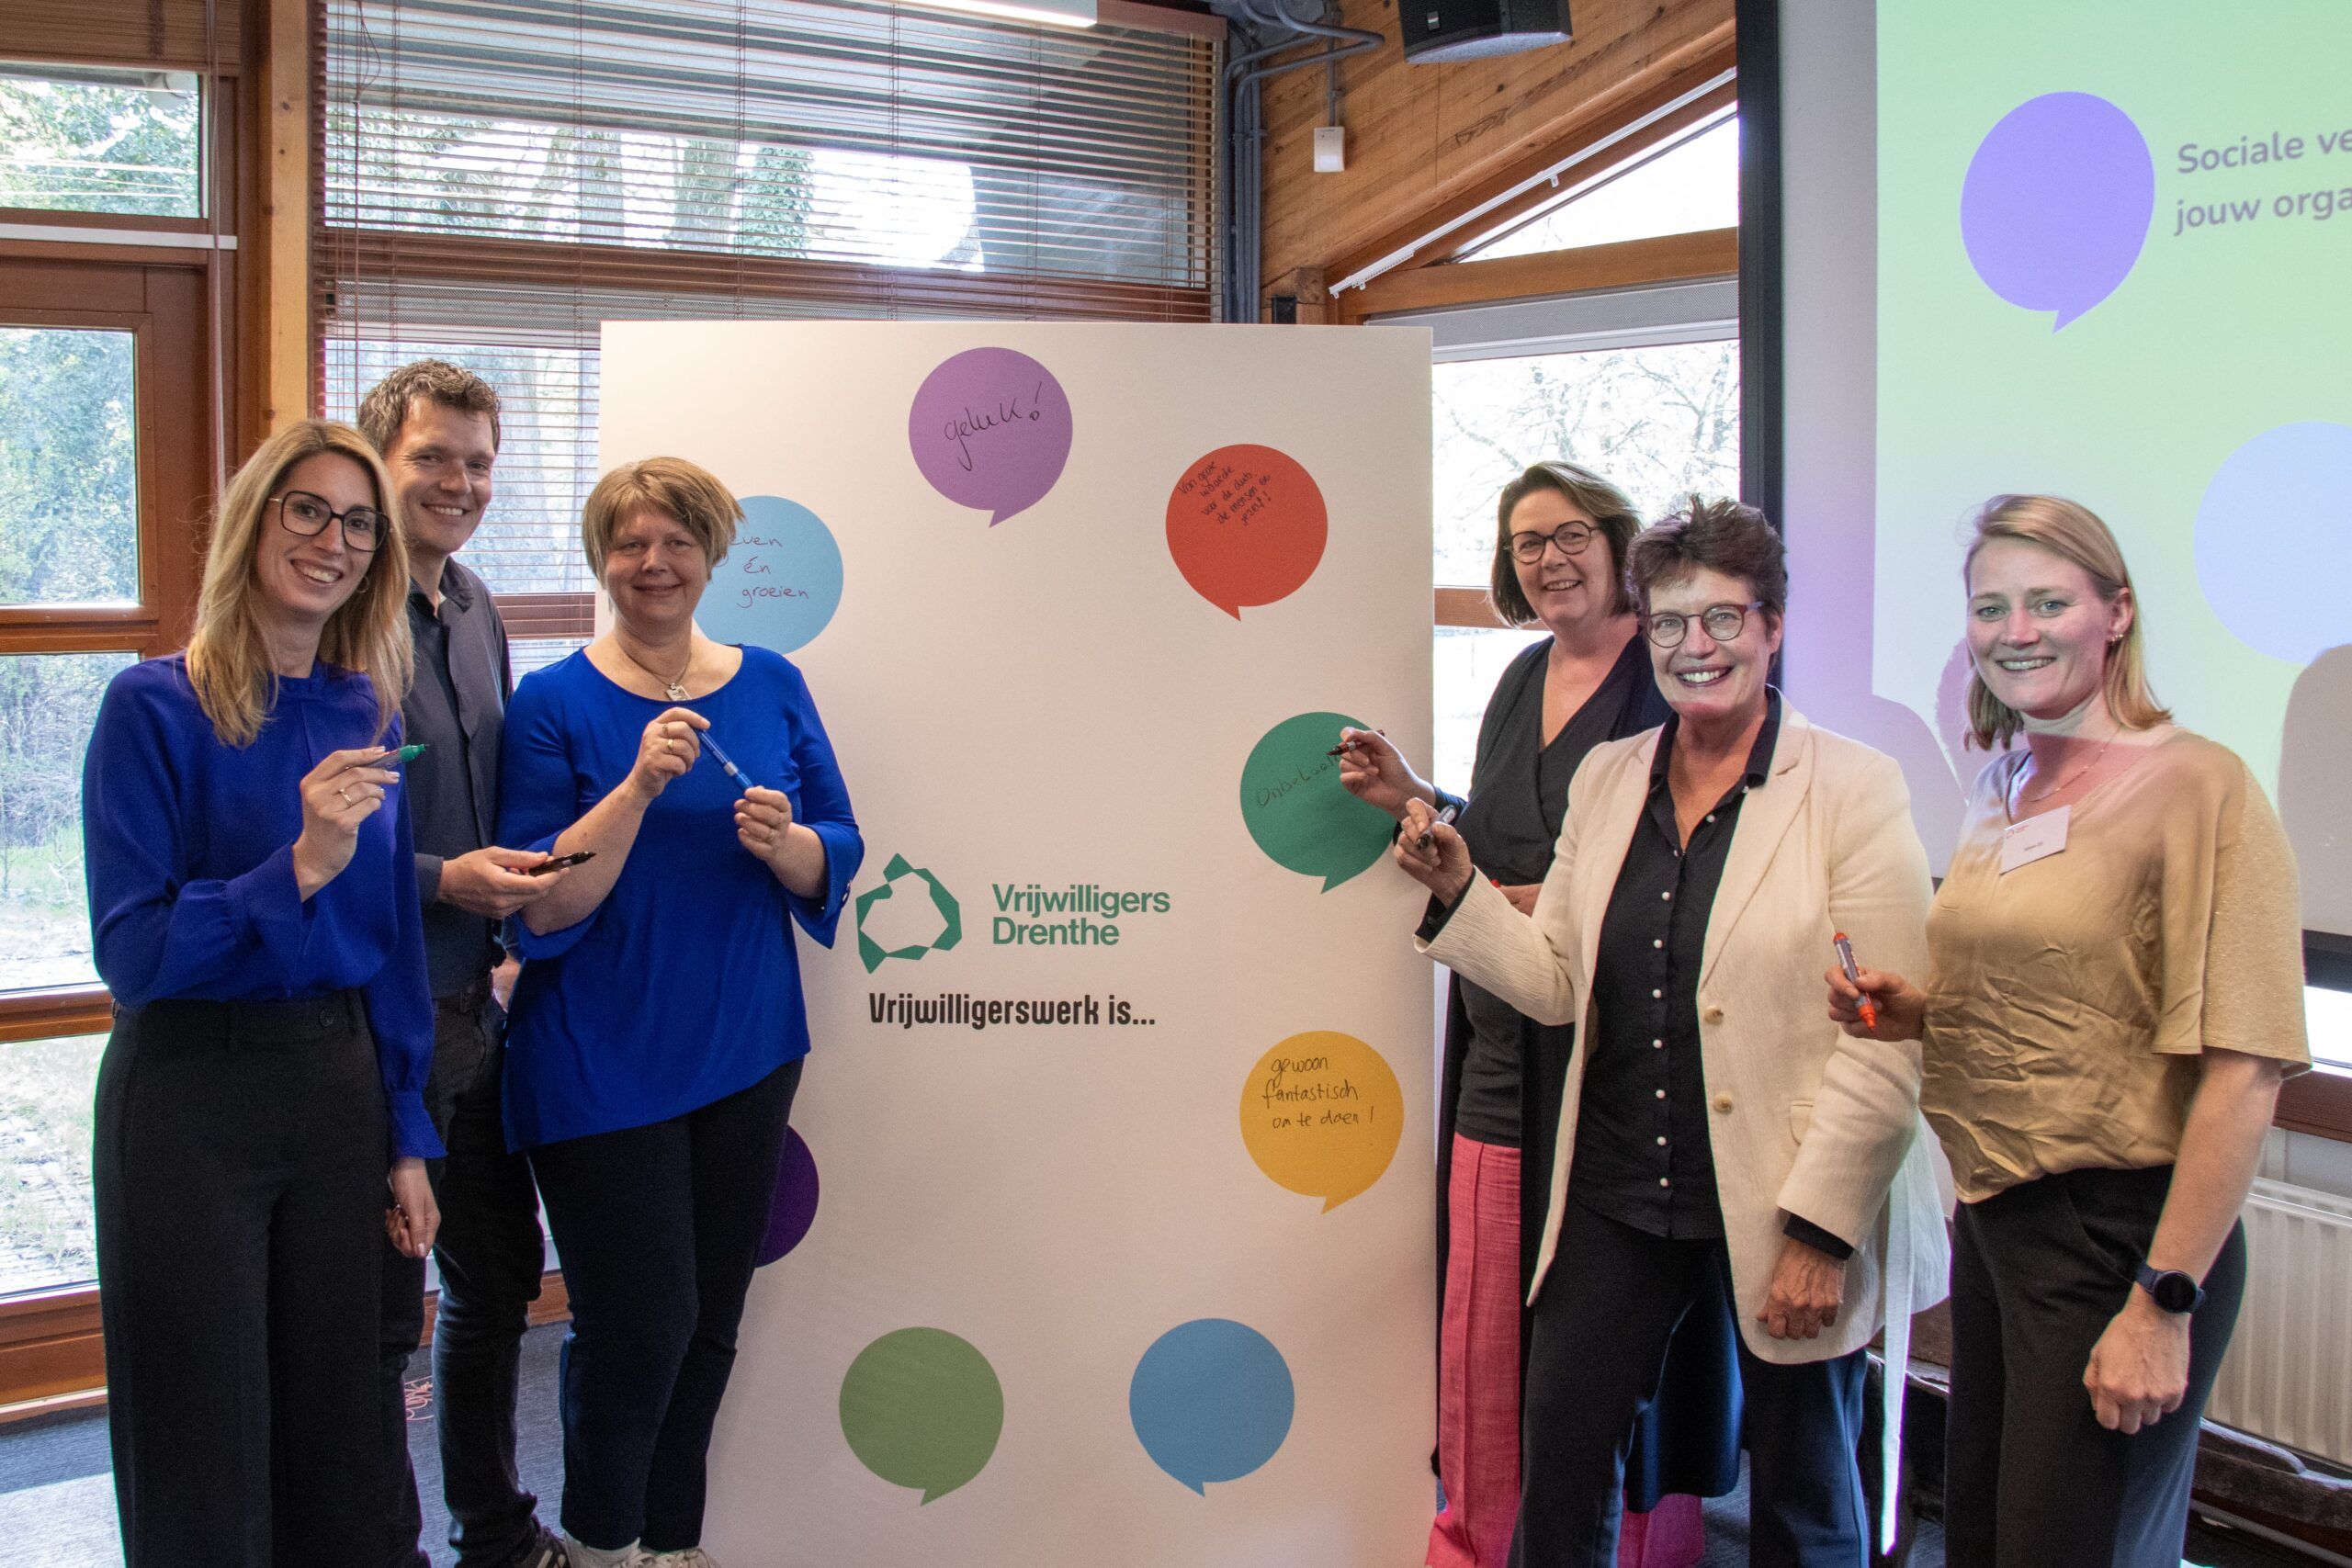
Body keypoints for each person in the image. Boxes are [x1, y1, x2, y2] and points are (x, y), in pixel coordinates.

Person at [1397, 497, 1948, 1568]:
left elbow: (1884, 1032)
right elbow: (1555, 982)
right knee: (1562, 1468)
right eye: (1669, 624)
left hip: (1788, 1193)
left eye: (1723, 618)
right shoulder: (1609, 779)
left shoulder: (1851, 788)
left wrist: (1822, 1233)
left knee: (1802, 1497)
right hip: (1613, 1186)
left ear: (1772, 626)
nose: (1697, 646)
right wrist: (1460, 892)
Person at [1826, 494, 2309, 1568]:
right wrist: (1920, 1012)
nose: (2017, 631)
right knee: (1988, 1541)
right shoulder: (2005, 783)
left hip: (2123, 1237)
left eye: (2048, 602)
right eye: (1990, 607)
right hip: (1999, 1222)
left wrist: (2163, 1302)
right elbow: (2075, 998)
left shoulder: (2200, 785)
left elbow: (2245, 1071)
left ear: (2116, 613)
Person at [1337, 461, 1719, 1568]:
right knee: (1486, 1335)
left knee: (1595, 1365)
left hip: (1618, 1070)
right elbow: (1498, 837)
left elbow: (1682, 865)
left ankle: (1633, 1547)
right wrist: (1413, 796)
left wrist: (1518, 899)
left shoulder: (1666, 679)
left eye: (1569, 535)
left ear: (1617, 541)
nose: (1549, 560)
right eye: (1525, 544)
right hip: (1501, 1046)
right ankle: (1482, 1537)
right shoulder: (1518, 678)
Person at [82, 418, 444, 1564]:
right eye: (308, 509)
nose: (332, 541)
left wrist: (406, 1134)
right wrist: (293, 869)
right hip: (191, 1095)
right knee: (203, 1437)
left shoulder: (367, 712)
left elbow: (390, 945)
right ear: (254, 521)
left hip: (337, 1087)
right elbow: (133, 954)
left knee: (341, 1432)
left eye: (358, 524)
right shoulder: (151, 708)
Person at [498, 457, 862, 1568]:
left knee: (708, 1318)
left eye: (676, 542)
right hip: (595, 1057)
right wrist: (637, 789)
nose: (653, 564)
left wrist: (789, 847)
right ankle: (600, 1545)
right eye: (629, 543)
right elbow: (540, 901)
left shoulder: (772, 681)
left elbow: (839, 842)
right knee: (637, 1326)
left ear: (711, 556)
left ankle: (671, 1546)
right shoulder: (552, 702)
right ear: (600, 559)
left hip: (748, 1044)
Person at [357, 360, 574, 1568]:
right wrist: (445, 878)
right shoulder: (338, 615)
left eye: (480, 462)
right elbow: (302, 840)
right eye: (433, 457)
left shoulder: (479, 605)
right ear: (378, 462)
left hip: (477, 1009)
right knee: (381, 1314)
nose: (461, 482)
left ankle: (493, 1530)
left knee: (494, 1278)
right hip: (373, 1022)